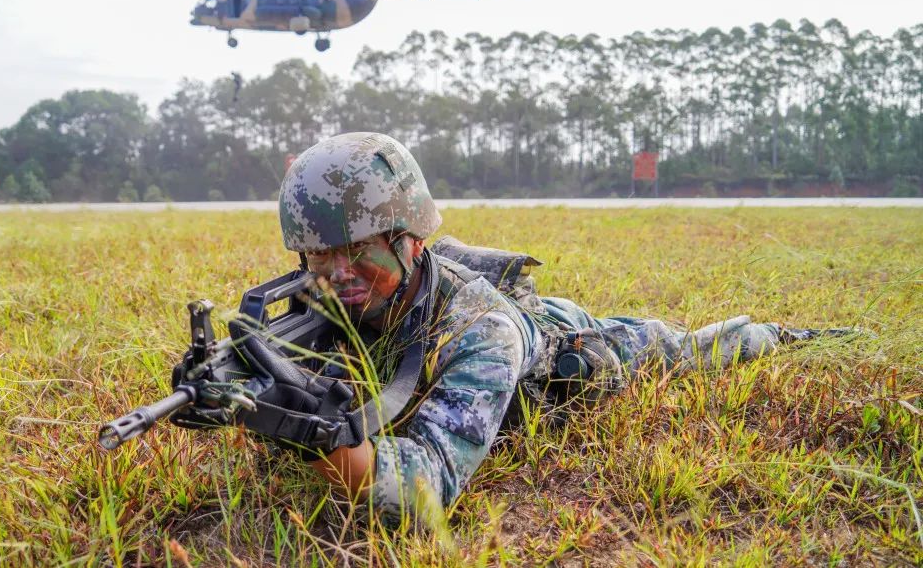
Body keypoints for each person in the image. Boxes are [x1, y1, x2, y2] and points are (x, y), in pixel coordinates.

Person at [264, 132, 838, 523]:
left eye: (357, 250)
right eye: (318, 255)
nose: (336, 274)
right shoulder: (316, 303)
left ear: (409, 240)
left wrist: (320, 437)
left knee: (687, 349)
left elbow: (428, 486)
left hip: (567, 344)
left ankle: (786, 335)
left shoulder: (480, 330)